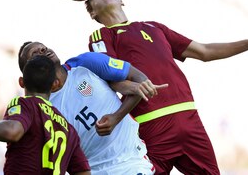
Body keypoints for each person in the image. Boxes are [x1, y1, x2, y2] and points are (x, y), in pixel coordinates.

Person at [85, 0, 248, 175]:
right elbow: (111, 78)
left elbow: (204, 51)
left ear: (122, 1)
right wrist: (122, 108)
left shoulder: (154, 27)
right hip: (150, 125)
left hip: (189, 118)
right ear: (93, 13)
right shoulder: (101, 35)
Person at [18, 41, 168, 174]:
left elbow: (140, 79)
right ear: (28, 72)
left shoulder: (85, 63)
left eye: (43, 48)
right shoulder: (39, 107)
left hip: (129, 159)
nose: (44, 51)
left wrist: (117, 117)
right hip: (92, 170)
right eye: (36, 53)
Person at [0, 55, 91, 175]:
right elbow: (84, 172)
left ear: (21, 82)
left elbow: (12, 131)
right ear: (54, 85)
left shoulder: (24, 104)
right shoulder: (67, 128)